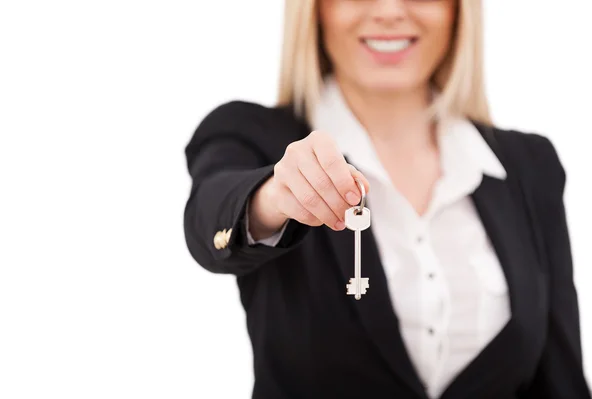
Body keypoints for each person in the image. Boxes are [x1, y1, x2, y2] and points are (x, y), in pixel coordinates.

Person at [183, 0, 591, 398]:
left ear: (457, 9)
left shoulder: (528, 167)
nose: (390, 10)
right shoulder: (249, 134)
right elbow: (211, 213)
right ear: (316, 8)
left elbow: (560, 377)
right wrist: (272, 198)